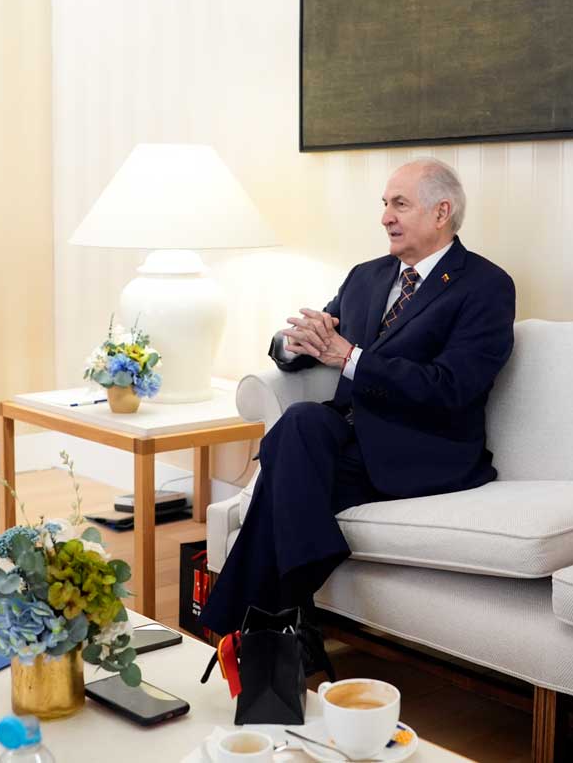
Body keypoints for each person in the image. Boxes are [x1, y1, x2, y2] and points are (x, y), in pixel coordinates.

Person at [200, 158, 516, 636]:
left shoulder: (485, 286)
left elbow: (450, 387)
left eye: (400, 204)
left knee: (282, 469)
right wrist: (293, 343)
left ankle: (244, 631)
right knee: (301, 422)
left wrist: (350, 357)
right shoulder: (366, 276)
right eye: (385, 204)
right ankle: (292, 606)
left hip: (422, 446)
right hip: (350, 434)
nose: (385, 217)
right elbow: (313, 340)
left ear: (441, 212)